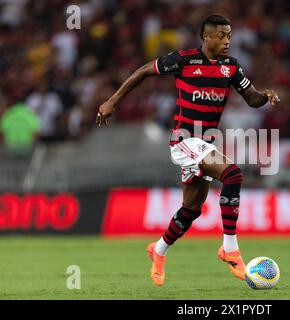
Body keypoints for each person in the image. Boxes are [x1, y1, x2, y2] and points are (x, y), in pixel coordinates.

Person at [96, 14, 280, 286]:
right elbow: (144, 70)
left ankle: (157, 251)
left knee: (191, 209)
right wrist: (112, 101)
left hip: (205, 144)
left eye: (229, 35)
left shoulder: (231, 68)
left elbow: (251, 99)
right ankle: (230, 249)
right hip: (184, 141)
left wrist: (264, 96)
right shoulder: (184, 60)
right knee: (233, 175)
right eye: (221, 35)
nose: (227, 40)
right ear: (206, 37)